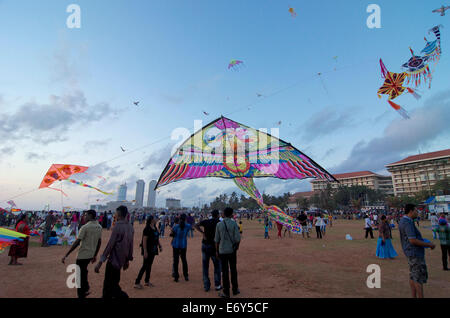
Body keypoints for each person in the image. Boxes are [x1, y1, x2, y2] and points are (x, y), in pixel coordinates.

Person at [95, 206, 134, 299]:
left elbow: (110, 245)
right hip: (121, 260)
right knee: (113, 283)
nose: (114, 215)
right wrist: (127, 260)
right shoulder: (130, 227)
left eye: (116, 213)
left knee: (111, 285)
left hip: (113, 260)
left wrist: (100, 262)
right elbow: (130, 245)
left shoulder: (117, 226)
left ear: (119, 214)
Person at [62, 210, 102, 298]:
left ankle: (81, 293)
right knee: (83, 271)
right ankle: (86, 288)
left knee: (79, 275)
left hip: (83, 255)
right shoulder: (99, 227)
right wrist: (95, 255)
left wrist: (67, 254)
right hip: (90, 254)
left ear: (91, 216)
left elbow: (77, 241)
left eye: (86, 215)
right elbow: (99, 242)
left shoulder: (85, 227)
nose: (84, 217)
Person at [398, 204, 435, 298]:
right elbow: (412, 240)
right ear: (411, 211)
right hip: (414, 252)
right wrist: (429, 245)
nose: (417, 212)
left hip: (410, 252)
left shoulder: (404, 220)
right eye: (416, 210)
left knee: (413, 275)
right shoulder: (407, 222)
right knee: (418, 277)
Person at [215, 207, 241, 298]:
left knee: (225, 271)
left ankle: (226, 292)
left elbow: (217, 240)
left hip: (222, 250)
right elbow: (238, 238)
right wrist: (236, 247)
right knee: (233, 270)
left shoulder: (219, 225)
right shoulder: (234, 224)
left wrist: (217, 251)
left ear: (224, 214)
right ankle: (235, 289)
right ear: (231, 214)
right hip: (232, 250)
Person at [194, 210, 222, 292]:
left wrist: (202, 232)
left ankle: (206, 285)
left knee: (205, 266)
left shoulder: (206, 221)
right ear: (218, 215)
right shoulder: (219, 223)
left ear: (211, 215)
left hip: (205, 245)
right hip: (214, 246)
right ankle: (217, 285)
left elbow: (196, 225)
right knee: (217, 266)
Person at [134, 216, 162, 289]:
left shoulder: (155, 228)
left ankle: (147, 281)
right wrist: (145, 251)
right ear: (152, 220)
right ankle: (137, 282)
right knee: (145, 265)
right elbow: (144, 240)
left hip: (153, 249)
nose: (156, 219)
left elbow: (157, 238)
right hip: (148, 249)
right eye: (155, 218)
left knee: (149, 265)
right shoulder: (147, 229)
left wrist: (160, 246)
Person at [170, 213, 191, 282]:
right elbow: (189, 228)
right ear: (185, 219)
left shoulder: (176, 227)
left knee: (176, 261)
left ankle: (176, 277)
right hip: (183, 245)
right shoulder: (188, 226)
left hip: (176, 244)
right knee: (184, 260)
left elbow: (172, 234)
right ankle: (186, 276)